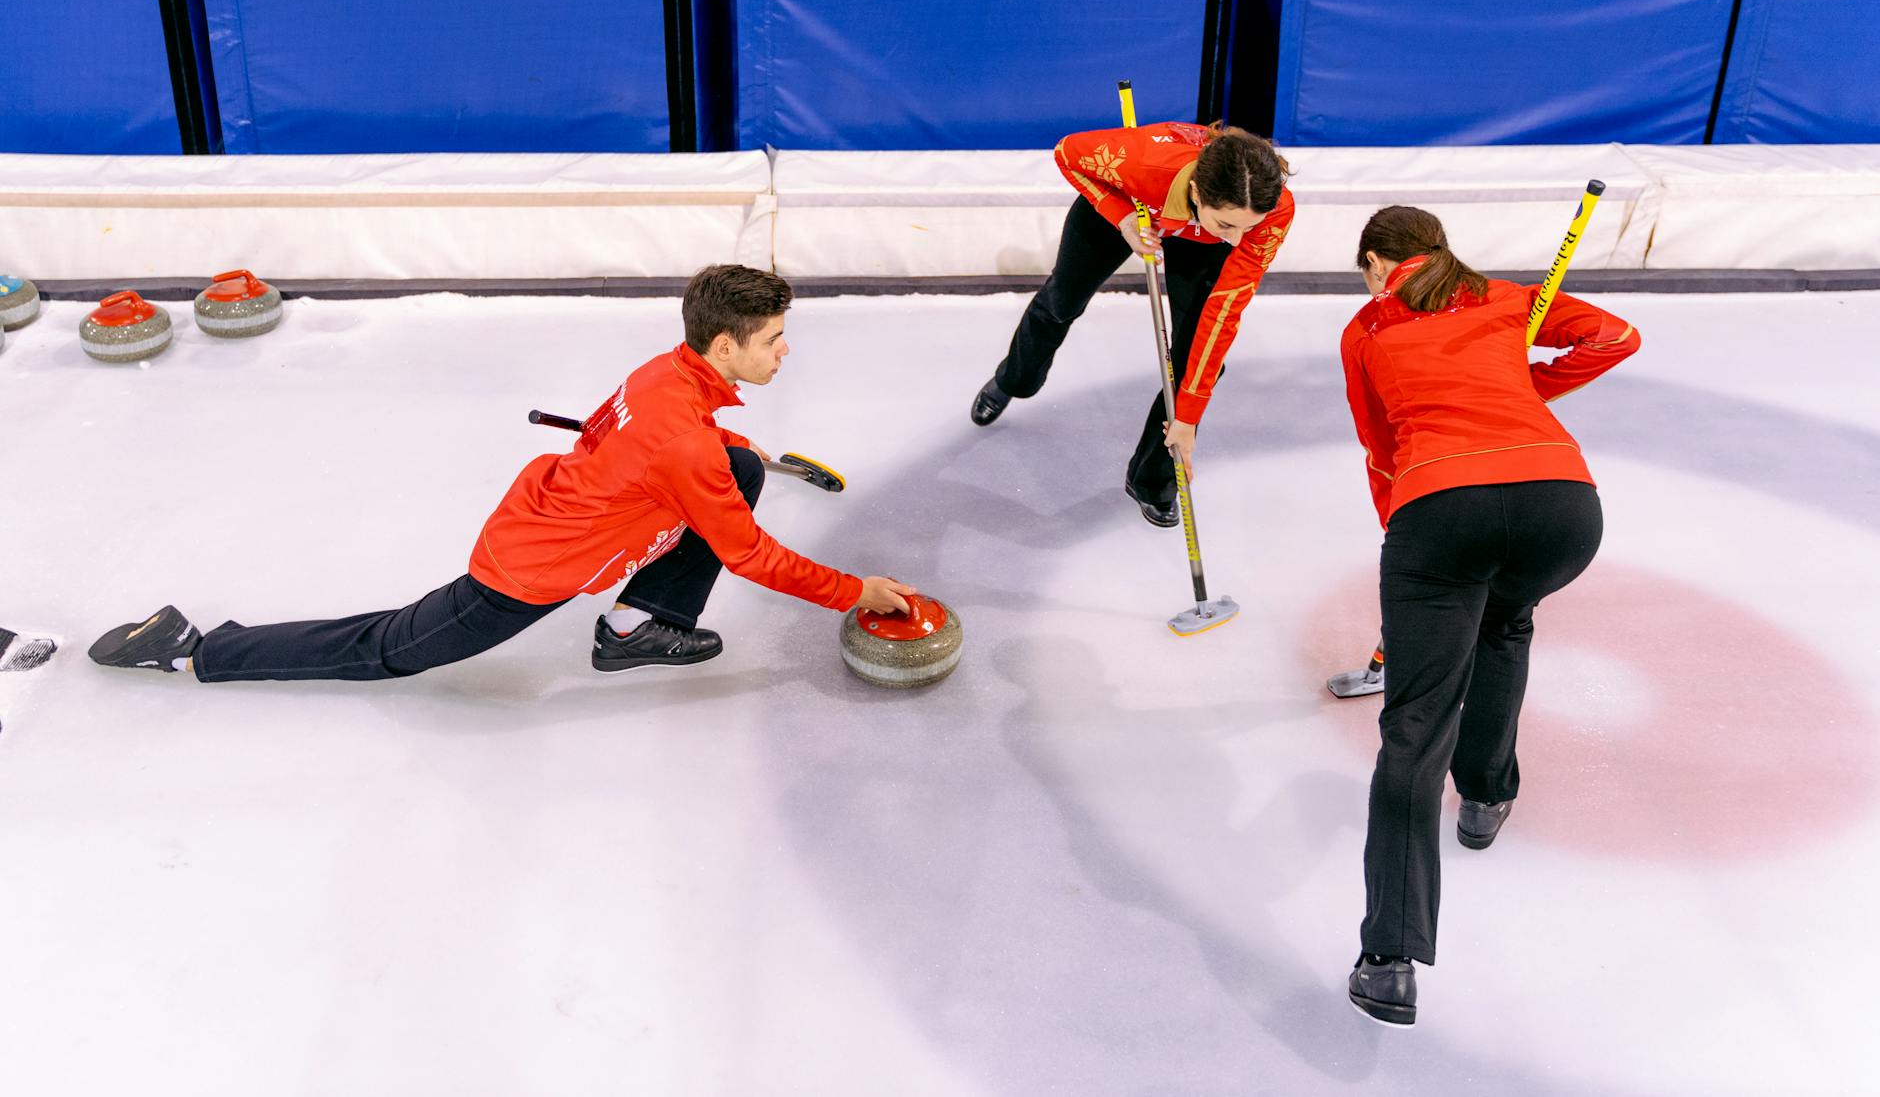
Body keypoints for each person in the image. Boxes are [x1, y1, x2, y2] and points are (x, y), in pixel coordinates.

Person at [87, 265, 915, 682]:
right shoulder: (684, 440)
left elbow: (633, 435)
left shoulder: (668, 373)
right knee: (385, 646)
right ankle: (199, 652)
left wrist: (727, 447)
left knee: (739, 463)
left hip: (586, 508)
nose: (785, 350)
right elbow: (752, 556)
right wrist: (856, 591)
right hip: (525, 568)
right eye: (773, 338)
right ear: (725, 345)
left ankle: (631, 630)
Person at [1340, 206, 1640, 1028]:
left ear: (1374, 264)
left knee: (1416, 722)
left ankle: (1391, 959)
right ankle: (1484, 794)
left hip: (1440, 505)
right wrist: (1524, 388)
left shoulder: (1367, 329)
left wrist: (1409, 558)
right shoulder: (1514, 300)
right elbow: (1617, 337)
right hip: (1563, 505)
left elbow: (1382, 452)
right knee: (1506, 618)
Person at [970, 121, 1293, 526]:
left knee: (1197, 358)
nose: (1237, 239)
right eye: (1229, 225)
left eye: (1248, 227)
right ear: (1196, 192)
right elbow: (1066, 152)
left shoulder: (1272, 211)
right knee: (1060, 302)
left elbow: (1226, 310)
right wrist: (1121, 217)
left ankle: (1151, 481)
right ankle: (1013, 380)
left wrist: (1188, 416)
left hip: (1198, 241)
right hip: (1131, 204)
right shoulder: (1141, 162)